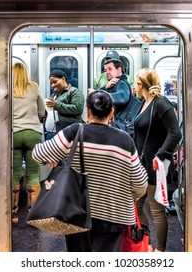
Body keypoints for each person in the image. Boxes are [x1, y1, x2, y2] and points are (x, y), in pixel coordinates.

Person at [32, 90, 148, 252]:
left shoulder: (75, 132)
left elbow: (38, 154)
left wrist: (57, 155)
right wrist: (129, 197)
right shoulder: (124, 140)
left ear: (87, 112)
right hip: (114, 215)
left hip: (76, 212)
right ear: (111, 113)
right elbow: (140, 184)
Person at [133, 68, 182, 252]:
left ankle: (160, 251)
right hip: (142, 165)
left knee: (156, 210)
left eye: (136, 83)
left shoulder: (161, 103)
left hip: (156, 165)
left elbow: (175, 133)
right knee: (136, 206)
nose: (134, 86)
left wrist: (161, 154)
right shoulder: (143, 103)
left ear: (142, 85)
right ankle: (148, 245)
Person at [12, 62, 45, 224]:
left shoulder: (7, 89)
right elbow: (42, 111)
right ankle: (34, 215)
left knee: (15, 175)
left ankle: (12, 214)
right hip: (33, 134)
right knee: (33, 174)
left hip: (14, 134)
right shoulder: (33, 87)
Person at [98, 58, 141, 137]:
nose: (107, 72)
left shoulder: (121, 83)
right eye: (105, 70)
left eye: (110, 69)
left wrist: (102, 95)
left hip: (123, 127)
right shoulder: (113, 84)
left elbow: (122, 97)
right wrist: (105, 88)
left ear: (119, 69)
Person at [43, 69, 85, 140]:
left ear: (63, 79)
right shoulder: (54, 95)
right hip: (50, 133)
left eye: (55, 82)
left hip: (66, 133)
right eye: (51, 83)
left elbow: (78, 108)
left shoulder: (74, 92)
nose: (52, 85)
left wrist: (56, 105)